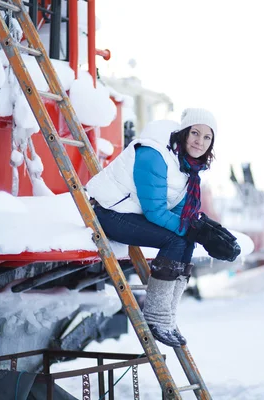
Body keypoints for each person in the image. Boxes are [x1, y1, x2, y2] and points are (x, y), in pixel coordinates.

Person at [86, 108, 240, 347]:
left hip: (129, 212)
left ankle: (167, 317)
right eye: (195, 133)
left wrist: (206, 229)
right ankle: (156, 317)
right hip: (106, 212)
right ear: (184, 133)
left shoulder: (188, 165)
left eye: (207, 137)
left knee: (185, 239)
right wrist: (193, 231)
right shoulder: (154, 155)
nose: (200, 141)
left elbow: (180, 212)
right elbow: (155, 211)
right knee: (178, 239)